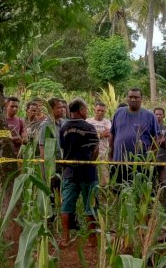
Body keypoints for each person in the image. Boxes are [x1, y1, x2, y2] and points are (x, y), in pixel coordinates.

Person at [59, 98, 99, 248]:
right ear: (81, 110)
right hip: (87, 172)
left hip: (69, 171)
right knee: (91, 205)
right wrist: (91, 162)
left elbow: (63, 146)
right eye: (86, 108)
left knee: (66, 205)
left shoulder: (63, 127)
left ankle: (65, 238)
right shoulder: (89, 127)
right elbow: (96, 148)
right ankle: (91, 240)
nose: (87, 111)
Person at [109, 88, 159, 184]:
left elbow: (156, 140)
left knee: (138, 192)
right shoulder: (119, 113)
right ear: (127, 98)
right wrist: (110, 157)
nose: (133, 99)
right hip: (119, 162)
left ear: (141, 99)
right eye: (130, 97)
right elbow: (112, 135)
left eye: (136, 97)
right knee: (118, 191)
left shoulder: (149, 116)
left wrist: (149, 160)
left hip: (140, 163)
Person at [87, 102, 112, 187]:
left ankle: (104, 197)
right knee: (90, 177)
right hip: (90, 154)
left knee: (104, 179)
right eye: (98, 110)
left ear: (105, 111)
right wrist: (100, 135)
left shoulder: (107, 122)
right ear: (94, 110)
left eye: (102, 111)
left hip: (103, 154)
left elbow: (108, 134)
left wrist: (95, 134)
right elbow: (87, 136)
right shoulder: (88, 121)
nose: (100, 112)